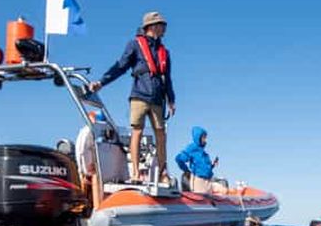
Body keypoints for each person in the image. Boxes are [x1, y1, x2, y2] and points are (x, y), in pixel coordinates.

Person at [89, 11, 175, 184]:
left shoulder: (164, 52)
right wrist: (102, 82)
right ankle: (135, 173)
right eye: (162, 25)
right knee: (137, 131)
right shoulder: (135, 45)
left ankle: (163, 172)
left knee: (161, 134)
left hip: (157, 99)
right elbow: (120, 66)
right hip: (139, 96)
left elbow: (167, 78)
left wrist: (171, 100)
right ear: (152, 26)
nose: (165, 28)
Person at [175, 126, 225, 194]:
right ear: (198, 137)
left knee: (224, 190)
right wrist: (186, 170)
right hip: (198, 182)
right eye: (203, 138)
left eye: (205, 138)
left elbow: (203, 168)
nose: (205, 140)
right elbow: (179, 159)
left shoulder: (203, 152)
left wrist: (213, 165)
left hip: (208, 181)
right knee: (203, 198)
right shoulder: (192, 148)